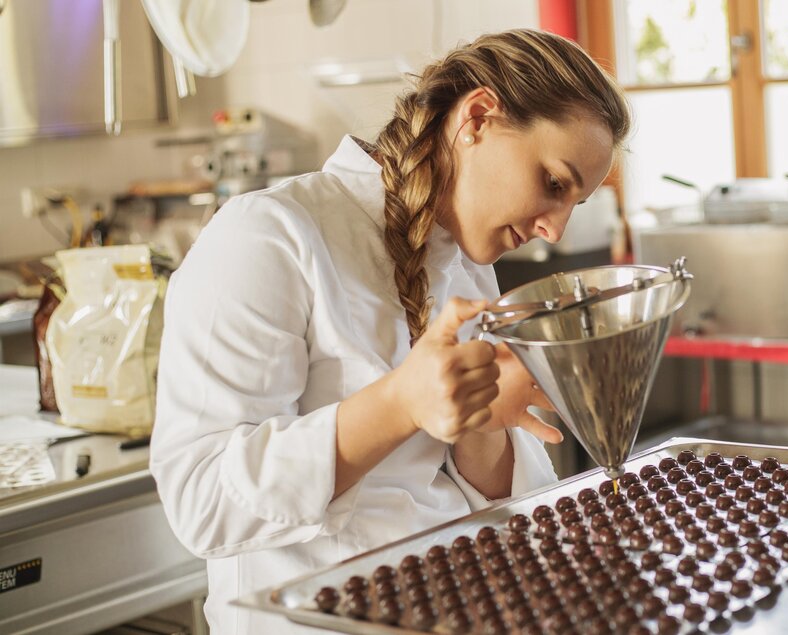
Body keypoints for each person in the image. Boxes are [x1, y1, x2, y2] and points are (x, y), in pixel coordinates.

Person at [149, 29, 630, 633]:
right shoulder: (268, 236)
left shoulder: (467, 272)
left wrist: (482, 422)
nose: (554, 230)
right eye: (553, 184)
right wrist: (400, 403)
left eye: (572, 205)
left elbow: (486, 502)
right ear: (477, 118)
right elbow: (204, 505)